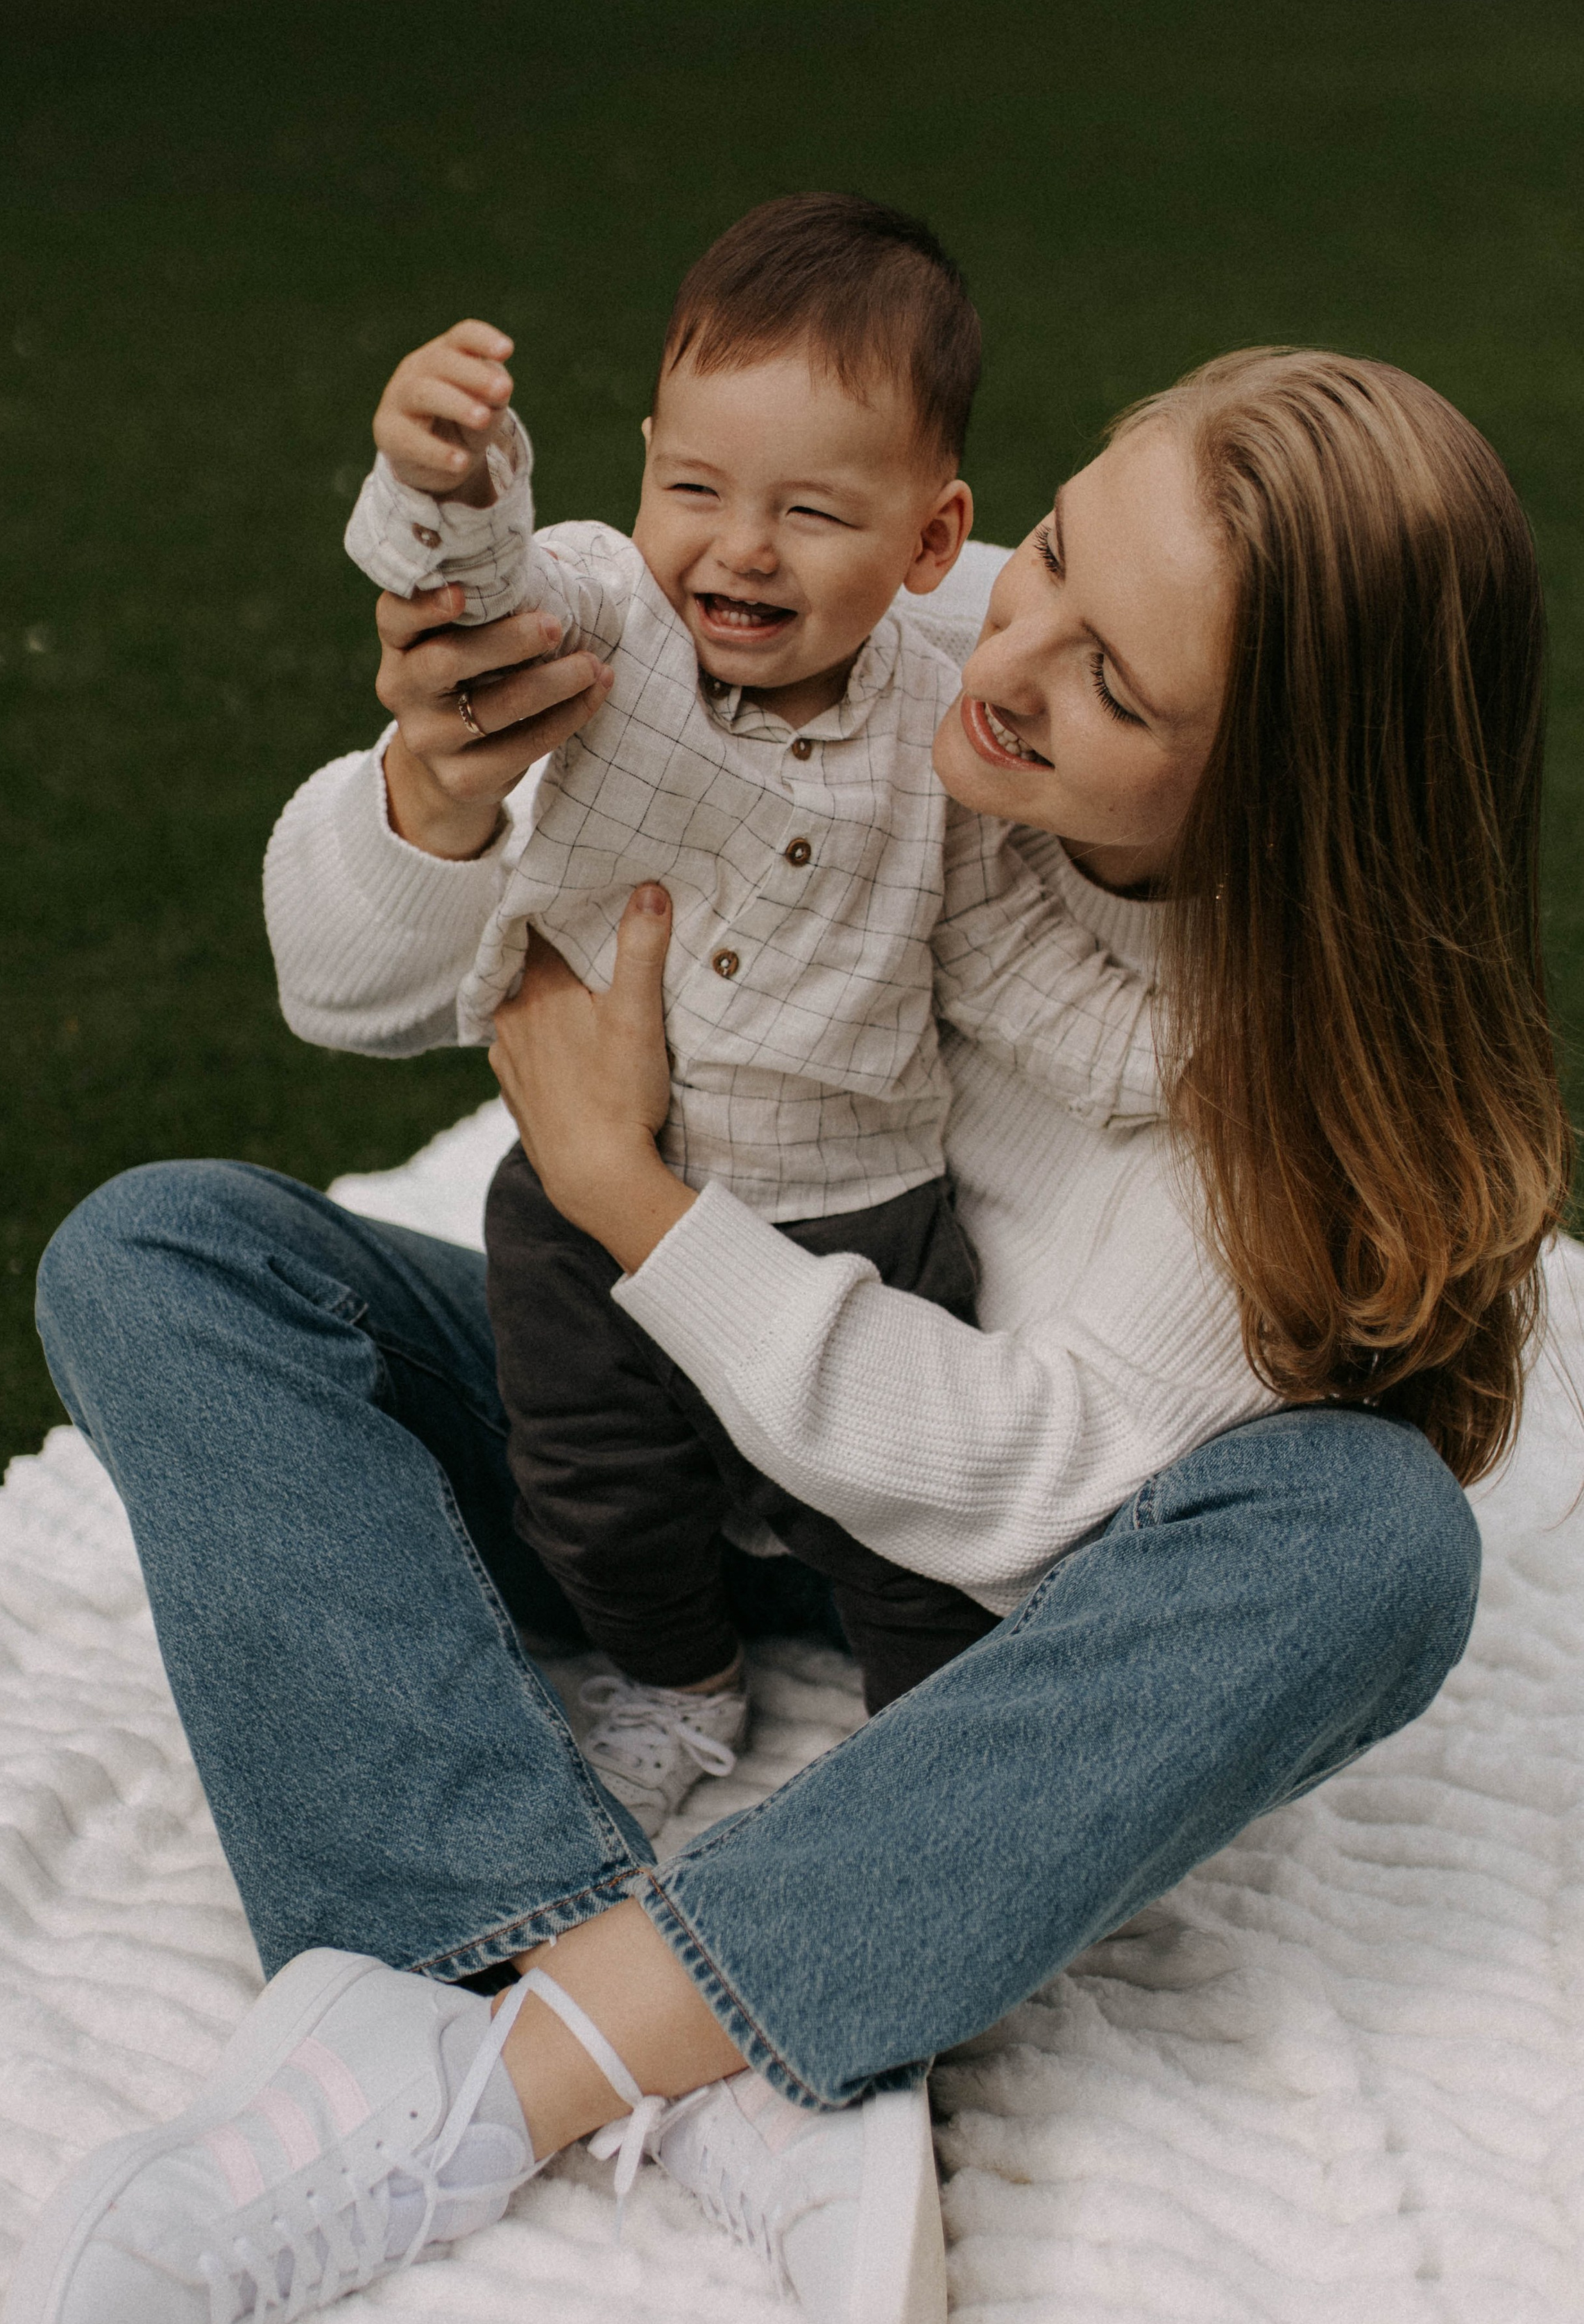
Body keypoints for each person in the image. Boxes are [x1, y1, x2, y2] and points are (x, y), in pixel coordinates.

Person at [0, 348, 1567, 2324]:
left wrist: (632, 1196)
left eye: (1118, 688)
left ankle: (503, 2074)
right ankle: (629, 1991)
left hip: (955, 1596)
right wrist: (434, 793)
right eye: (1055, 556)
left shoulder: (1282, 1100)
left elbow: (1009, 1486)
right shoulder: (904, 613)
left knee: (1376, 1540)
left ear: (1281, 794)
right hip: (642, 1437)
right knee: (164, 1251)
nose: (1010, 654)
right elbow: (343, 988)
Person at [339, 195, 1161, 1813]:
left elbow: (1010, 965)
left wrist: (1173, 1062)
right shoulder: (613, 627)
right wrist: (445, 485)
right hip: (587, 1213)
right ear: (642, 465)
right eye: (694, 487)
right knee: (591, 1488)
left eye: (808, 513)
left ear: (930, 541)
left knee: (898, 1529)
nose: (739, 547)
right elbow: (494, 587)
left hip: (864, 1218)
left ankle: (932, 1753)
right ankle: (676, 1677)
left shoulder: (942, 742)